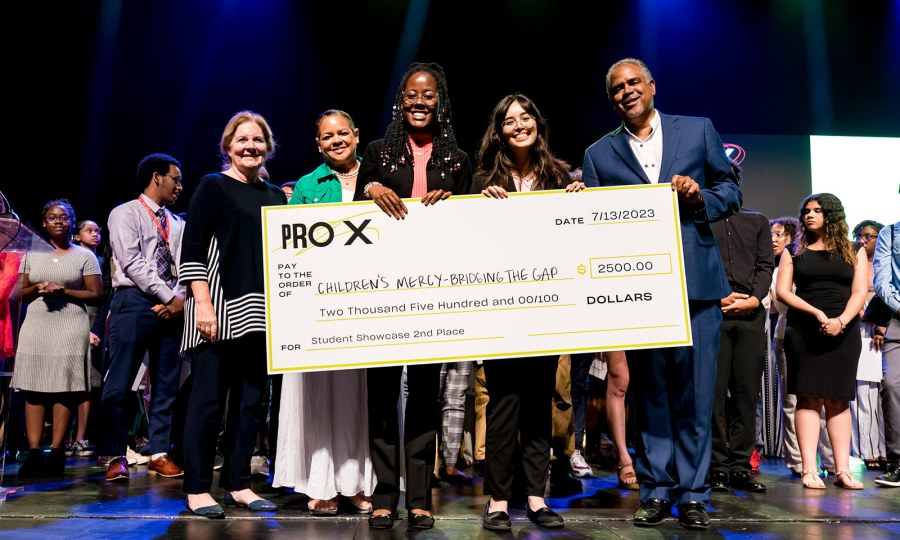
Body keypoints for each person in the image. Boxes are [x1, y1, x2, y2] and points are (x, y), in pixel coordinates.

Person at [582, 58, 741, 530]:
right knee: (650, 393)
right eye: (616, 88)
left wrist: (699, 197)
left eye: (633, 83)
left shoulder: (696, 130)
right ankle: (655, 489)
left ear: (651, 86)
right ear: (611, 98)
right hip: (640, 290)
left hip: (696, 284)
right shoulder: (599, 154)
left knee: (695, 392)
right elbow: (594, 223)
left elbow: (729, 191)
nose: (626, 92)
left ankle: (693, 492)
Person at [354, 62, 472, 530]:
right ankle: (385, 493)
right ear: (400, 101)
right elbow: (359, 213)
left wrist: (458, 203)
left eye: (428, 96)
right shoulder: (378, 152)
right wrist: (372, 187)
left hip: (434, 292)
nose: (419, 102)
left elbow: (472, 224)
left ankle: (419, 496)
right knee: (381, 392)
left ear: (439, 102)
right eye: (411, 95)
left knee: (425, 394)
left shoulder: (458, 160)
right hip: (383, 290)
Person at [473, 93, 583, 531]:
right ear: (499, 129)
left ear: (538, 123)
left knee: (540, 404)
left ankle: (536, 498)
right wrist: (480, 201)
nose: (519, 125)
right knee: (502, 404)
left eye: (526, 118)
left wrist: (581, 203)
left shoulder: (558, 176)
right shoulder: (482, 177)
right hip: (499, 308)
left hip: (546, 307)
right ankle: (499, 500)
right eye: (509, 120)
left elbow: (575, 237)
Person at [179, 110, 286, 518]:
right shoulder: (213, 186)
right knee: (207, 403)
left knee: (250, 404)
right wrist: (203, 304)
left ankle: (239, 484)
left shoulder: (276, 195)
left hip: (262, 314)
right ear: (228, 146)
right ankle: (197, 488)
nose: (250, 146)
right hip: (218, 309)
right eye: (242, 140)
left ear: (268, 147)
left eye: (258, 140)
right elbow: (193, 248)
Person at [273, 109, 375, 515]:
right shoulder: (306, 186)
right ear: (318, 144)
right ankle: (320, 484)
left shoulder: (378, 175)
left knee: (357, 394)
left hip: (365, 305)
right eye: (327, 136)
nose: (336, 140)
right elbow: (289, 248)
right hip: (316, 307)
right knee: (315, 394)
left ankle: (354, 482)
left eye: (342, 133)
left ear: (355, 135)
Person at [100, 153, 187, 482]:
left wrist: (177, 297)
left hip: (172, 304)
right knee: (120, 382)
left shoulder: (178, 223)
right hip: (134, 300)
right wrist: (168, 296)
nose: (180, 185)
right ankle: (115, 454)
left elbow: (186, 263)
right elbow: (132, 261)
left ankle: (159, 452)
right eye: (175, 178)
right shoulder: (124, 213)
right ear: (157, 177)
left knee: (166, 383)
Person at [776, 193, 867, 490]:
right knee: (808, 397)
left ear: (832, 215)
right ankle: (809, 468)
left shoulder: (855, 250)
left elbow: (859, 292)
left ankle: (843, 470)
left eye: (817, 210)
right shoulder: (794, 250)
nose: (809, 215)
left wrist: (841, 320)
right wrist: (816, 312)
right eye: (806, 211)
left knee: (839, 399)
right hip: (804, 329)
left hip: (844, 330)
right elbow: (784, 292)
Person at [12, 199, 102, 477]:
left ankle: (58, 450)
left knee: (65, 389)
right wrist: (38, 287)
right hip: (37, 325)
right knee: (35, 389)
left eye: (63, 217)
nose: (58, 221)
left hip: (70, 326)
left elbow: (95, 294)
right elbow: (17, 293)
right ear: (44, 222)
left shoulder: (85, 256)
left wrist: (63, 290)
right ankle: (35, 451)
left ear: (72, 222)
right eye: (52, 217)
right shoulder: (30, 254)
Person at [709, 203, 774, 494]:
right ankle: (716, 466)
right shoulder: (701, 219)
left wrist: (754, 298)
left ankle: (740, 466)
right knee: (714, 395)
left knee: (747, 394)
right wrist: (717, 296)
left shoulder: (756, 220)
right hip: (714, 313)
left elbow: (765, 265)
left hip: (750, 314)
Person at [767, 217, 834, 477]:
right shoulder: (778, 270)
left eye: (779, 234)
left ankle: (830, 460)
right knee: (792, 400)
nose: (773, 239)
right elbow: (779, 304)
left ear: (793, 237)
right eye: (771, 235)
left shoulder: (809, 264)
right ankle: (798, 461)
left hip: (819, 334)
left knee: (827, 400)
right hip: (788, 334)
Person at [850, 220, 887, 470]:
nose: (862, 240)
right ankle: (870, 449)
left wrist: (881, 321)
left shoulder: (886, 263)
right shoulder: (853, 263)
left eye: (868, 236)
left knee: (888, 393)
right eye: (859, 236)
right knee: (865, 391)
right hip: (863, 329)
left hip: (887, 326)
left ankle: (887, 449)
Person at [69, 219, 105, 457]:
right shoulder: (73, 260)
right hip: (75, 319)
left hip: (95, 320)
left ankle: (81, 437)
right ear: (77, 235)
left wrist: (95, 329)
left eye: (97, 231)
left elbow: (102, 299)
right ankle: (66, 438)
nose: (95, 234)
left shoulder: (101, 262)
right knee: (70, 380)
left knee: (89, 382)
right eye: (89, 230)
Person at [873, 219, 900, 487]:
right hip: (899, 319)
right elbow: (881, 280)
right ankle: (897, 462)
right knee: (892, 386)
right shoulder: (890, 232)